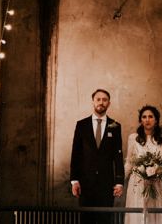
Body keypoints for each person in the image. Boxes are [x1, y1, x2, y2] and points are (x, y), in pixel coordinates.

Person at [70, 89, 124, 224]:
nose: (101, 102)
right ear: (93, 102)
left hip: (107, 183)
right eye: (98, 99)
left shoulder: (116, 126)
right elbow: (76, 154)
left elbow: (118, 156)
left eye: (105, 100)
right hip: (85, 183)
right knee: (86, 219)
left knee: (105, 219)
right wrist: (74, 180)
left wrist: (119, 182)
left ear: (109, 103)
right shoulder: (81, 125)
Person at [124, 105, 162, 224]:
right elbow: (129, 162)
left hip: (157, 184)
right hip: (138, 183)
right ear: (140, 120)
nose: (147, 119)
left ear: (156, 120)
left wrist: (157, 171)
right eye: (144, 117)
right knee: (138, 215)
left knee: (156, 214)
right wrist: (119, 182)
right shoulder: (133, 138)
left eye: (151, 117)